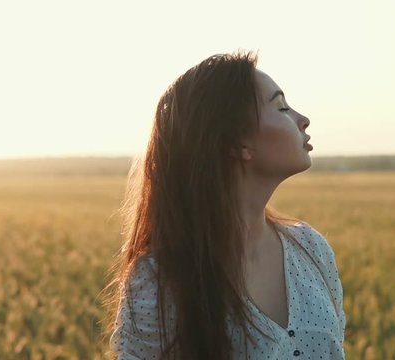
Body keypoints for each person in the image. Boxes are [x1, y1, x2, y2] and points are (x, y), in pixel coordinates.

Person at [101, 50, 346, 359]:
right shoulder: (159, 281)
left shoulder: (311, 249)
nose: (302, 120)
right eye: (281, 107)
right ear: (236, 143)